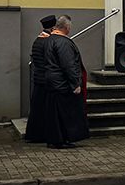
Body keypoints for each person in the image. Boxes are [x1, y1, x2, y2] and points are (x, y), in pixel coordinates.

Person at [44, 16, 90, 150]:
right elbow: (68, 65)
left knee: (55, 115)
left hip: (53, 82)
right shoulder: (63, 42)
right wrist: (76, 83)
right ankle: (62, 139)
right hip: (62, 84)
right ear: (67, 27)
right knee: (65, 114)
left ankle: (55, 139)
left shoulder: (49, 40)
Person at [25, 15, 57, 143]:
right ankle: (42, 135)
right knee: (45, 109)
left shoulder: (38, 40)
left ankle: (33, 134)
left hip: (38, 78)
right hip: (46, 79)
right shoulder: (48, 41)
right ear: (52, 27)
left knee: (37, 109)